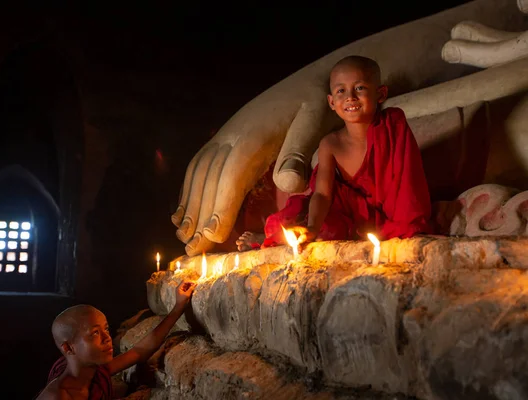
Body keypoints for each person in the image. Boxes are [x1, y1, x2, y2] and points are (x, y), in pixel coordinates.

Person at [236, 55, 432, 251]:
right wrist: (312, 227)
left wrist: (405, 222)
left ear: (380, 94)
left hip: (389, 216)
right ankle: (268, 239)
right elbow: (322, 194)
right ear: (331, 102)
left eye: (360, 88)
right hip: (351, 214)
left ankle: (281, 238)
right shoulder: (331, 143)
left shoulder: (393, 125)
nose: (350, 97)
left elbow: (409, 178)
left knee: (409, 226)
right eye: (341, 91)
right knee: (300, 221)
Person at [35, 280, 197, 400]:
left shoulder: (93, 372)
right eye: (95, 334)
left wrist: (178, 308)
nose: (107, 339)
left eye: (106, 329)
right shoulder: (58, 396)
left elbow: (139, 352)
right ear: (68, 348)